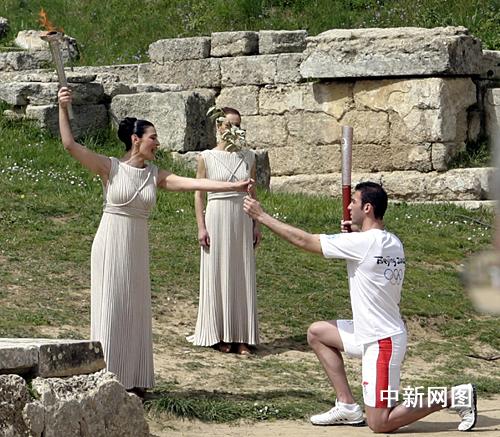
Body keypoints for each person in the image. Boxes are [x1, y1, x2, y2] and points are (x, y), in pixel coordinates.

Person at [57, 87, 253, 394]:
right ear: (136, 139)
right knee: (111, 307)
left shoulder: (155, 174)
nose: (157, 143)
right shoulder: (110, 167)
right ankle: (108, 380)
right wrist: (62, 108)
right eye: (153, 137)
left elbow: (193, 183)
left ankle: (135, 379)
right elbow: (70, 145)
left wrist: (233, 186)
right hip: (110, 243)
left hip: (137, 246)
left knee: (135, 309)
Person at [243, 182, 477, 432]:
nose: (348, 206)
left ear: (367, 208)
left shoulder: (362, 243)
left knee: (380, 422)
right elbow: (367, 253)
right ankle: (346, 406)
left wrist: (262, 216)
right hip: (367, 332)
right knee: (317, 333)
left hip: (382, 341)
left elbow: (305, 240)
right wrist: (354, 235)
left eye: (353, 202)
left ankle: (455, 396)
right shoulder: (392, 241)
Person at [189, 107, 261, 355]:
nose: (234, 129)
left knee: (241, 272)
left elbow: (252, 192)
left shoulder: (249, 157)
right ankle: (218, 333)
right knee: (217, 271)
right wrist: (201, 226)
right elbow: (199, 194)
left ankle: (242, 336)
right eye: (230, 124)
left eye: (238, 125)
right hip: (217, 216)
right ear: (219, 126)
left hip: (242, 217)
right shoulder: (206, 157)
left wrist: (256, 224)